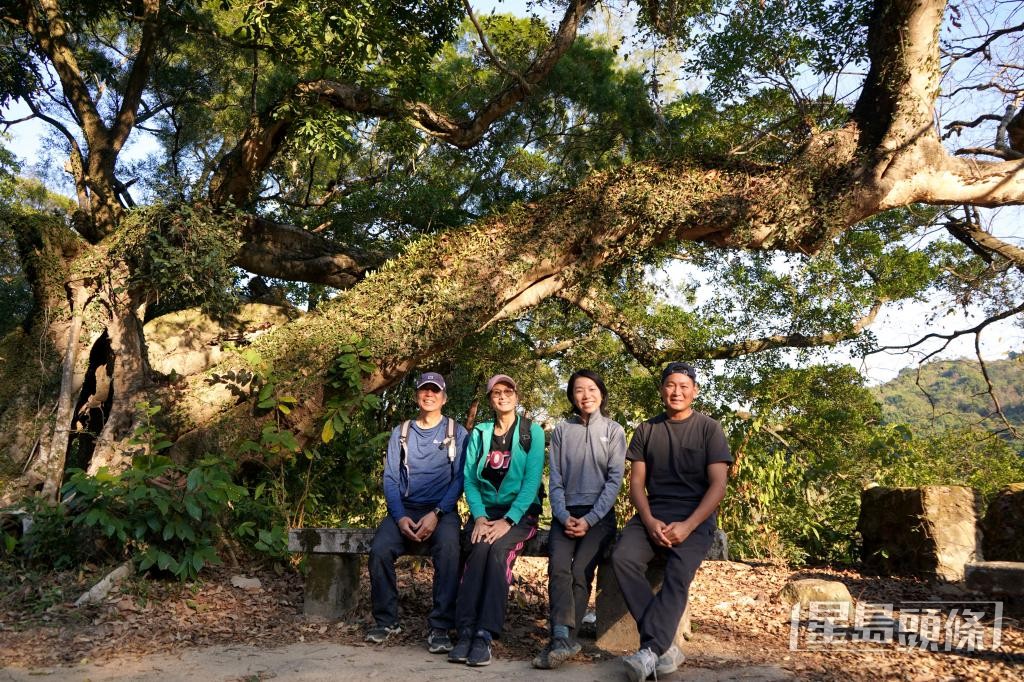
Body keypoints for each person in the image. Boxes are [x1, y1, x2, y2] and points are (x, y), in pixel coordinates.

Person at [611, 362, 732, 681]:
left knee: (678, 572)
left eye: (683, 386)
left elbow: (718, 485)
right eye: (670, 385)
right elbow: (636, 484)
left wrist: (689, 525)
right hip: (653, 513)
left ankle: (651, 650)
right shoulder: (647, 430)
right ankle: (663, 648)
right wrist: (649, 521)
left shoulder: (709, 429)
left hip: (696, 517)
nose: (676, 392)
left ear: (694, 391)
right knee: (622, 557)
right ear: (662, 389)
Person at [448, 374, 546, 667]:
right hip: (486, 513)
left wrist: (509, 520)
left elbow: (531, 482)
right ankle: (465, 630)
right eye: (496, 393)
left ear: (517, 396)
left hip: (520, 514)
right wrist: (479, 517)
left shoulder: (532, 432)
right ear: (490, 399)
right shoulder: (480, 433)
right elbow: (469, 479)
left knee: (498, 553)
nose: (503, 396)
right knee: (478, 550)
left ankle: (485, 633)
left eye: (508, 391)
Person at [366, 371, 468, 653]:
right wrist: (399, 517)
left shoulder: (457, 432)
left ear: (444, 398)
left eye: (435, 391)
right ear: (416, 396)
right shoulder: (402, 432)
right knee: (379, 551)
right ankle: (386, 621)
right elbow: (390, 478)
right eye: (425, 390)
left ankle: (440, 627)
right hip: (406, 508)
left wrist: (437, 513)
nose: (429, 394)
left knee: (449, 550)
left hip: (442, 511)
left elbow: (461, 478)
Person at [533, 369, 626, 670]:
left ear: (601, 393)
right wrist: (563, 515)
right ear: (572, 397)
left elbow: (614, 481)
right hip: (566, 514)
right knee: (559, 568)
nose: (586, 395)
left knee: (580, 571)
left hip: (599, 518)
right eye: (578, 390)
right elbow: (556, 479)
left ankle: (562, 639)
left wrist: (589, 519)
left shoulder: (614, 430)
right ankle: (561, 638)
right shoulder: (562, 430)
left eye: (591, 389)